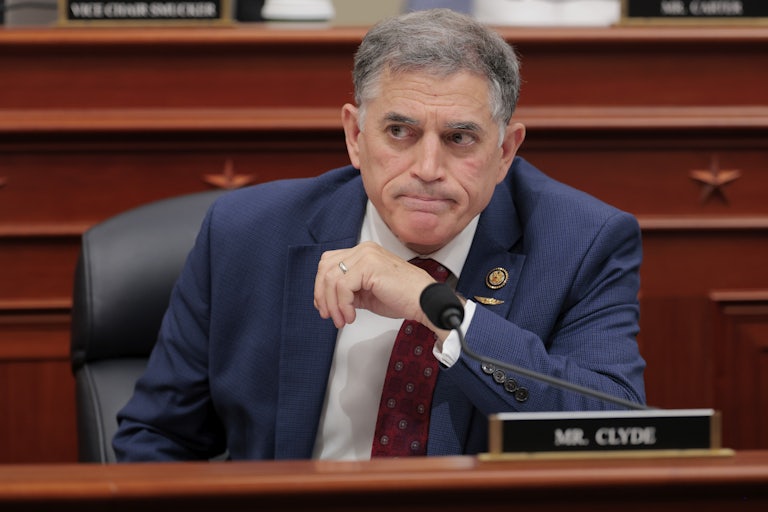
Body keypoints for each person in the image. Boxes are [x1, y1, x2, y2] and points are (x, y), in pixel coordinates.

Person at [113, 8, 646, 461]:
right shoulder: (247, 234)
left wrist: (437, 308)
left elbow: (616, 431)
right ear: (355, 135)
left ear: (505, 151)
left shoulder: (583, 243)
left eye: (460, 137)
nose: (428, 168)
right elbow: (156, 439)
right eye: (399, 132)